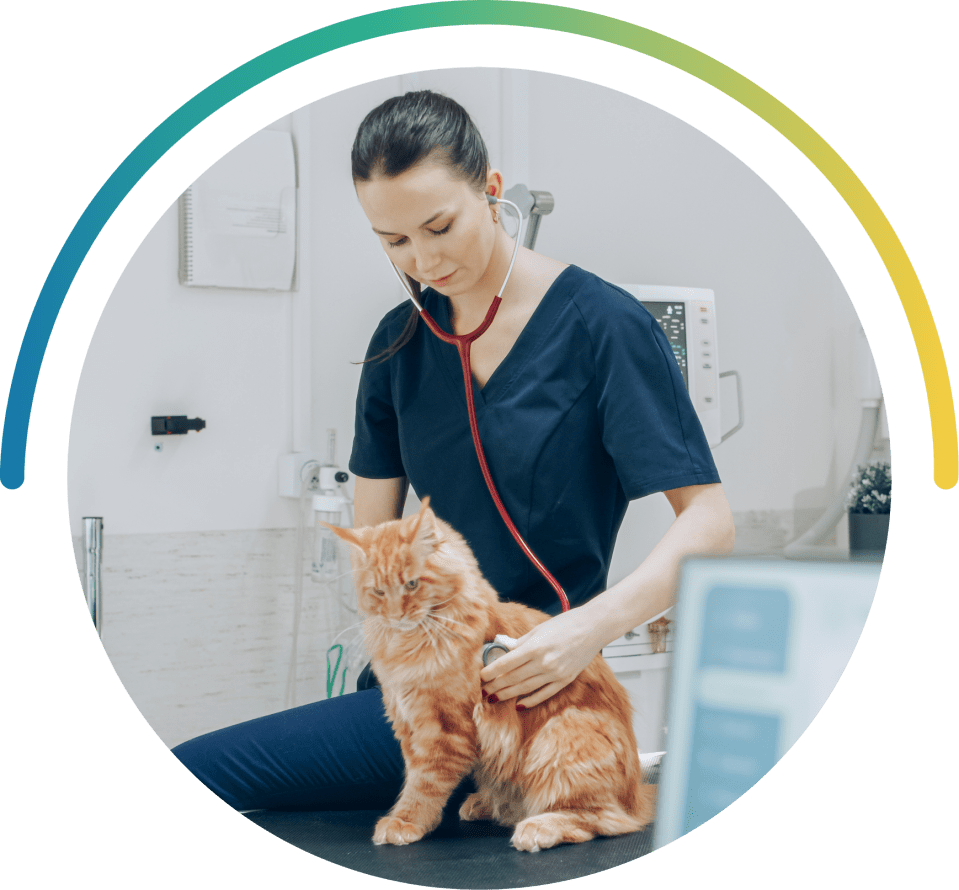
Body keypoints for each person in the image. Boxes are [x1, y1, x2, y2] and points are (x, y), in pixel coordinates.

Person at [172, 90, 735, 812]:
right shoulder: (397, 344)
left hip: (526, 688)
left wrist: (585, 632)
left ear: (492, 192)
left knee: (194, 774)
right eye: (393, 240)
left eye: (439, 227)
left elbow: (709, 522)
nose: (423, 260)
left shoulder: (602, 327)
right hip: (418, 691)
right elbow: (375, 540)